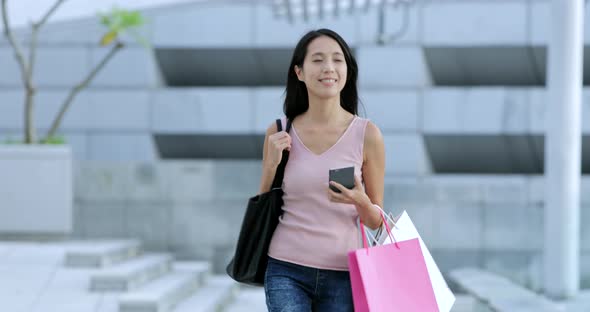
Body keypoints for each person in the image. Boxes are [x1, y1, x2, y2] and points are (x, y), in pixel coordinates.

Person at [260, 28, 386, 312]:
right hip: (286, 268)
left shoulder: (368, 134)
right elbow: (263, 204)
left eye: (337, 59)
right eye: (317, 60)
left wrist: (361, 201)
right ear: (299, 72)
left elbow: (377, 221)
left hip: (344, 274)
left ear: (347, 71)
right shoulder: (280, 131)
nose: (328, 68)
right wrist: (270, 164)